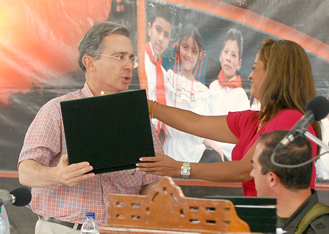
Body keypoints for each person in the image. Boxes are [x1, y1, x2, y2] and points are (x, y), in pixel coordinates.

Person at [18, 21, 162, 234]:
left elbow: (153, 180)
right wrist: (56, 174)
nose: (129, 65)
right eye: (119, 57)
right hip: (64, 229)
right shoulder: (56, 110)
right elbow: (26, 172)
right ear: (90, 63)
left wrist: (154, 206)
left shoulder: (137, 117)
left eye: (131, 58)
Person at [137, 39, 321, 197]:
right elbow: (196, 123)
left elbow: (243, 169)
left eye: (255, 68)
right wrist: (149, 107)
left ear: (274, 74)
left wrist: (179, 168)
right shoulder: (256, 120)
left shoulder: (290, 119)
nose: (250, 75)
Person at [250, 130, 329, 233]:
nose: (251, 174)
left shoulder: (318, 230)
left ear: (272, 179)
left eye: (254, 167)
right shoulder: (273, 220)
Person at [163, 23, 223, 163]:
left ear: (199, 56)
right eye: (185, 47)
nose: (189, 55)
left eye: (194, 51)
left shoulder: (203, 92)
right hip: (170, 150)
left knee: (217, 160)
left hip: (195, 153)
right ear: (178, 48)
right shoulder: (167, 80)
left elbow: (204, 130)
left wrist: (216, 148)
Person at [208, 28, 250, 159]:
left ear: (239, 63)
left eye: (233, 55)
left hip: (228, 156)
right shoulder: (213, 87)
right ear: (220, 55)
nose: (228, 58)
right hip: (209, 148)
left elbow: (243, 135)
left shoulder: (241, 95)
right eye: (226, 52)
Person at [145, 5, 174, 140]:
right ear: (149, 28)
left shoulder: (163, 73)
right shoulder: (138, 61)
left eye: (166, 35)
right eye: (158, 30)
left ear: (169, 41)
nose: (161, 38)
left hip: (156, 137)